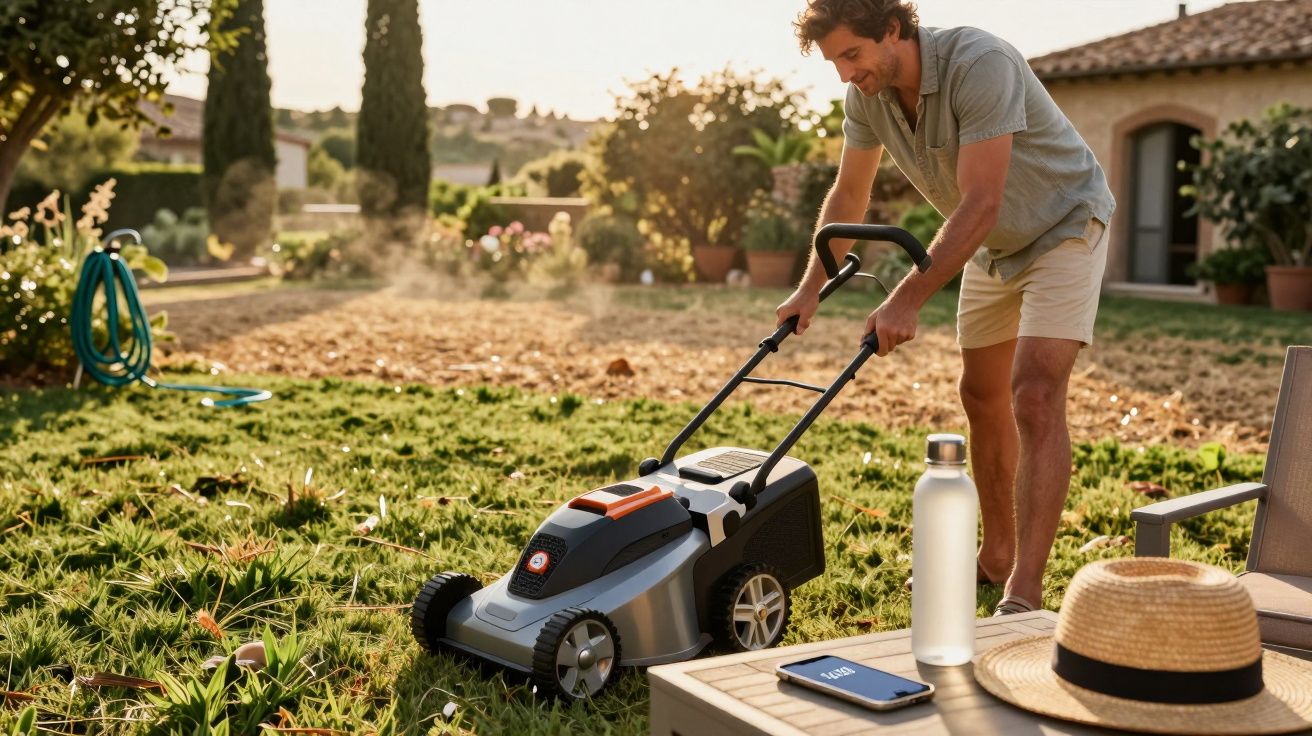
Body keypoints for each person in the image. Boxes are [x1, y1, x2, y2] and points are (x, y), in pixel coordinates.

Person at [779, 0, 1115, 616]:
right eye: (834, 62)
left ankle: (1025, 590)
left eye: (851, 55)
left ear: (892, 29)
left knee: (1035, 394)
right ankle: (995, 555)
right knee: (981, 396)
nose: (845, 74)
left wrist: (906, 299)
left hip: (1064, 224)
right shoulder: (867, 97)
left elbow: (982, 198)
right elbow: (850, 191)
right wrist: (810, 288)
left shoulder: (978, 63)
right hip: (991, 244)